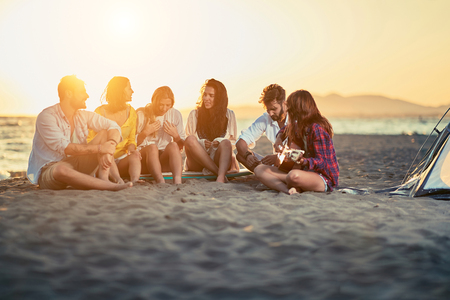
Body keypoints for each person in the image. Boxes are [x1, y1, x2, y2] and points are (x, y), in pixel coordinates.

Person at [27, 75, 132, 190]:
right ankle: (107, 186)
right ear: (69, 93)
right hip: (51, 171)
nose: (87, 96)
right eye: (82, 92)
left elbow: (113, 126)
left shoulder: (83, 115)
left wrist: (111, 144)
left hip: (77, 164)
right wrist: (101, 148)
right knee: (61, 169)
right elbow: (66, 148)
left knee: (105, 132)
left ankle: (104, 178)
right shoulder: (47, 116)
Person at [254, 89, 339, 194]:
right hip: (303, 173)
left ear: (298, 110)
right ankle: (289, 190)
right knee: (259, 170)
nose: (288, 112)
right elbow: (285, 129)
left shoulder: (317, 129)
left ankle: (288, 184)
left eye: (291, 109)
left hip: (322, 177)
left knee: (293, 176)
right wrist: (279, 138)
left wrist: (303, 161)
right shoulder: (298, 125)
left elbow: (323, 162)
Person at [87, 76, 142, 184]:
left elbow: (131, 140)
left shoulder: (132, 112)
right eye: (129, 88)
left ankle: (135, 181)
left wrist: (132, 148)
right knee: (108, 151)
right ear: (120, 91)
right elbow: (90, 139)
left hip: (121, 159)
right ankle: (118, 180)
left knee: (135, 154)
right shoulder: (99, 112)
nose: (132, 91)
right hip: (102, 160)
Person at [184, 79, 239, 183]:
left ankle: (220, 177)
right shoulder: (194, 115)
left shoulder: (229, 115)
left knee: (226, 143)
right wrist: (201, 143)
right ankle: (218, 173)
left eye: (211, 95)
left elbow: (233, 142)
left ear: (219, 98)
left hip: (219, 160)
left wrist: (219, 142)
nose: (206, 98)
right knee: (190, 139)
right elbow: (187, 141)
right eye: (205, 95)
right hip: (197, 162)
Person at [136, 86, 185, 184]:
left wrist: (176, 136)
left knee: (173, 145)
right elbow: (131, 144)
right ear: (154, 101)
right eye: (161, 104)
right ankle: (160, 181)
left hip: (163, 161)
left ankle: (177, 181)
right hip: (144, 160)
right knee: (152, 147)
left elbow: (181, 147)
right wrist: (145, 132)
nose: (164, 108)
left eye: (168, 105)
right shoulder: (141, 114)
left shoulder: (175, 114)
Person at [236, 84, 287, 172]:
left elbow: (303, 150)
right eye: (268, 110)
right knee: (240, 155)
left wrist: (277, 157)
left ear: (284, 104)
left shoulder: (296, 118)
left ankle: (269, 176)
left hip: (293, 162)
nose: (271, 114)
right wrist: (248, 155)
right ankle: (269, 176)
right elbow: (241, 142)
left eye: (274, 109)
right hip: (276, 165)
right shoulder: (265, 119)